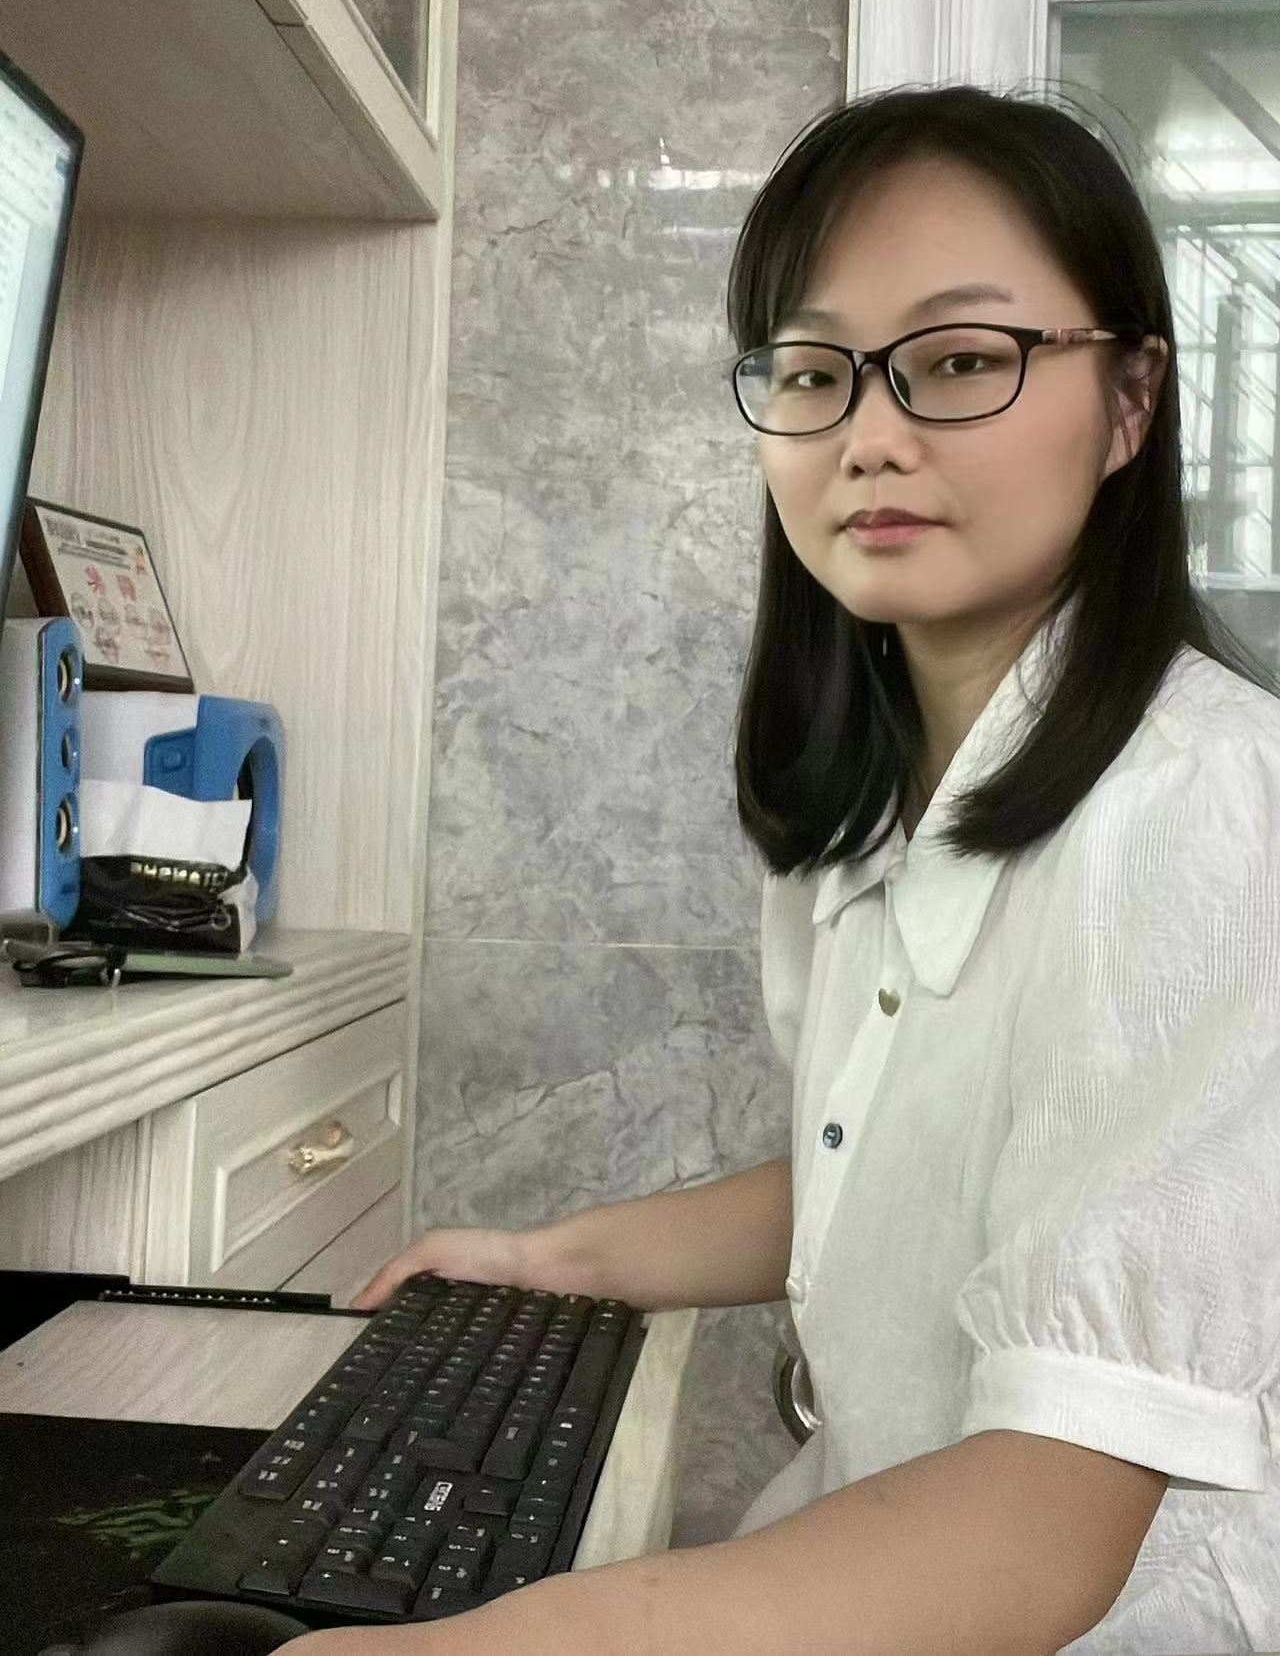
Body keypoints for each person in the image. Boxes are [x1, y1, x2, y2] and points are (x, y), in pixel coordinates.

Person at [300, 86, 1280, 1655]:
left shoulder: (1208, 812)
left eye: (960, 359)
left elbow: (1042, 1533)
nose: (871, 435)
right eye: (817, 373)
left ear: (1130, 402)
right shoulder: (876, 808)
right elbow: (874, 1176)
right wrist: (557, 1260)